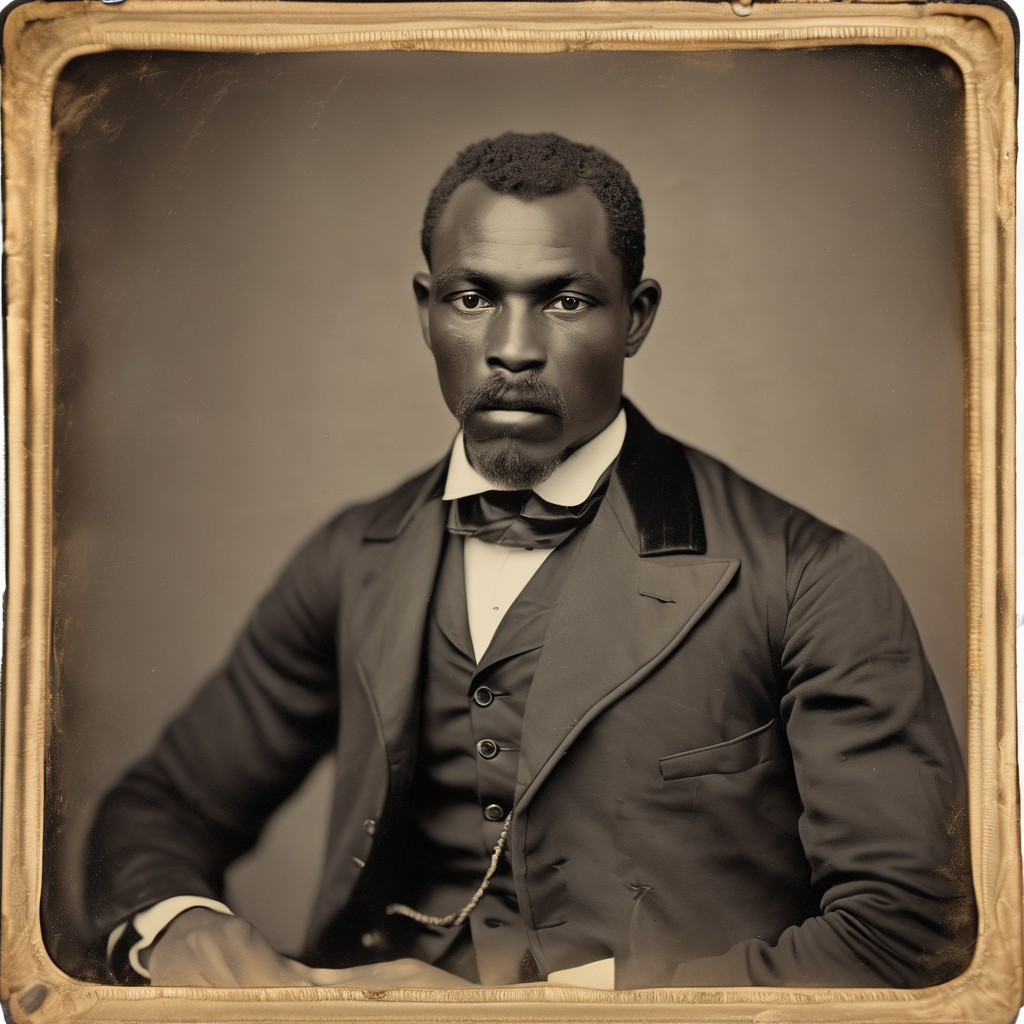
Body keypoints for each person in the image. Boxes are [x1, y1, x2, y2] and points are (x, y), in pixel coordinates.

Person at [86, 132, 975, 991]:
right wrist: (179, 924)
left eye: (567, 300)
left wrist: (545, 1013)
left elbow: (904, 932)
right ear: (426, 310)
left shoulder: (813, 578)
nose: (512, 347)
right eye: (473, 298)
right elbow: (160, 807)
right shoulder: (351, 556)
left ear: (636, 317)